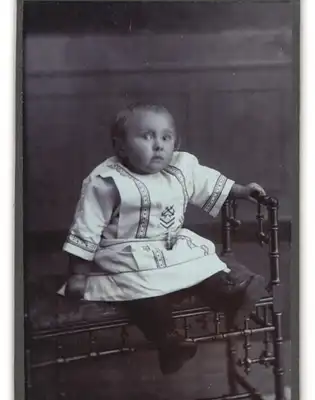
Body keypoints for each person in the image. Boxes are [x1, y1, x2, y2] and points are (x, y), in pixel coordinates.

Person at [60, 103, 267, 374]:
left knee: (200, 263)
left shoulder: (180, 168)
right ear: (120, 147)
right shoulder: (107, 181)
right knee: (139, 290)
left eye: (166, 137)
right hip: (126, 254)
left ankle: (230, 294)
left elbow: (206, 181)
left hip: (170, 244)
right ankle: (168, 340)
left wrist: (240, 190)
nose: (158, 145)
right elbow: (86, 225)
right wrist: (78, 272)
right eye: (147, 136)